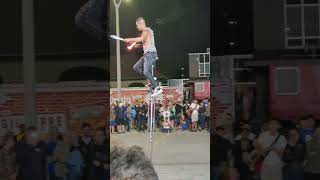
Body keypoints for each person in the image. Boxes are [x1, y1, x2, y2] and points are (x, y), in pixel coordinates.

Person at [124, 17, 163, 97]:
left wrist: (129, 39)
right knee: (136, 67)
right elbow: (145, 43)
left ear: (140, 23)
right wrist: (135, 46)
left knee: (145, 72)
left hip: (150, 54)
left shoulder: (146, 30)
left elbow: (141, 39)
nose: (136, 27)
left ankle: (157, 88)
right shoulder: (146, 32)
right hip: (146, 54)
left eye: (137, 25)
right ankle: (151, 78)